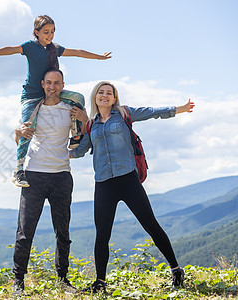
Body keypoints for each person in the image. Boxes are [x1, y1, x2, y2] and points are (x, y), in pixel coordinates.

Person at [70, 81, 195, 294]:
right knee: (102, 235)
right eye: (101, 92)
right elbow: (79, 150)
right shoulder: (92, 125)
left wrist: (179, 109)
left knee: (151, 225)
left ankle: (176, 270)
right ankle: (100, 282)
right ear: (95, 97)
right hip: (103, 183)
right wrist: (53, 147)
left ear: (114, 98)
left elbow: (152, 112)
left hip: (128, 179)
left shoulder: (125, 114)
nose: (105, 95)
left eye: (109, 93)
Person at [0, 15, 111, 188]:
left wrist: (99, 57)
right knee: (28, 127)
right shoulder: (30, 47)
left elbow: (77, 52)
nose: (50, 35)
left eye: (52, 32)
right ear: (36, 32)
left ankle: (75, 135)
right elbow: (11, 49)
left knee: (78, 98)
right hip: (32, 95)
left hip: (52, 91)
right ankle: (18, 170)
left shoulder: (55, 48)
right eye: (46, 32)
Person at [12, 69, 84, 296]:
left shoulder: (70, 110)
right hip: (33, 175)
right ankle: (18, 282)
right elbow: (19, 140)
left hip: (62, 175)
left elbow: (83, 135)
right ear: (42, 84)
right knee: (25, 231)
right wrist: (17, 132)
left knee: (62, 231)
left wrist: (83, 119)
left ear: (63, 85)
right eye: (49, 82)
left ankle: (63, 279)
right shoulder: (34, 109)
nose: (52, 86)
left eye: (57, 83)